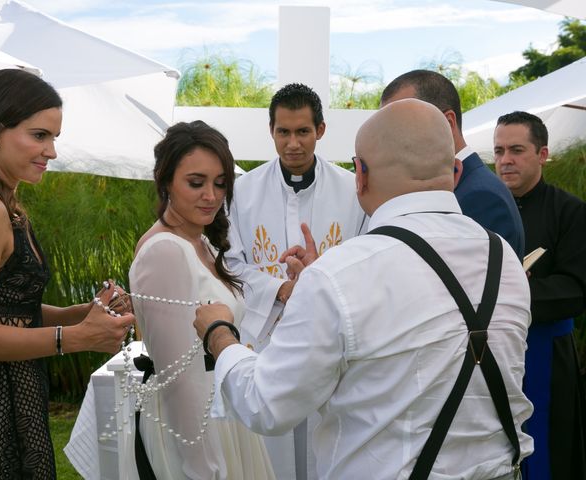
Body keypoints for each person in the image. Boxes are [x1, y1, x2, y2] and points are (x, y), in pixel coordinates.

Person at [194, 98, 534, 479]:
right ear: (455, 171)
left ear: (360, 175)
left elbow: (265, 404)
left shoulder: (340, 275)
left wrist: (219, 334)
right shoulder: (503, 259)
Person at [0, 69, 135, 479]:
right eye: (39, 135)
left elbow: (10, 307)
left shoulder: (6, 204)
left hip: (16, 400)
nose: (51, 151)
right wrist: (75, 338)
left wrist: (82, 312)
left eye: (54, 138)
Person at [226, 83, 366, 479]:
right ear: (271, 130)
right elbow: (231, 263)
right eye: (283, 132)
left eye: (302, 131)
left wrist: (320, 279)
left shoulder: (352, 191)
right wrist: (282, 289)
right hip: (266, 339)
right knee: (271, 451)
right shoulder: (241, 192)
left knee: (328, 443)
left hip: (331, 336)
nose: (292, 144)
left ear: (320, 130)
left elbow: (365, 256)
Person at [128, 120, 275, 480]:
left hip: (223, 416)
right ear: (165, 181)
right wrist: (204, 468)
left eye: (220, 184)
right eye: (196, 183)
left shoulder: (200, 243)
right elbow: (179, 378)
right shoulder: (165, 251)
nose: (211, 195)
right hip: (194, 430)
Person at [494, 111, 586, 479]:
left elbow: (577, 289)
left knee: (547, 458)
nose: (505, 160)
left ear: (542, 154)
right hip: (493, 353)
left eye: (517, 150)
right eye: (499, 151)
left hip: (546, 356)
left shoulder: (571, 212)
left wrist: (516, 288)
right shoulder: (480, 209)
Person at [380, 69, 525, 259]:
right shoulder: (468, 186)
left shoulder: (481, 196)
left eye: (402, 124)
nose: (392, 139)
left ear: (447, 123)